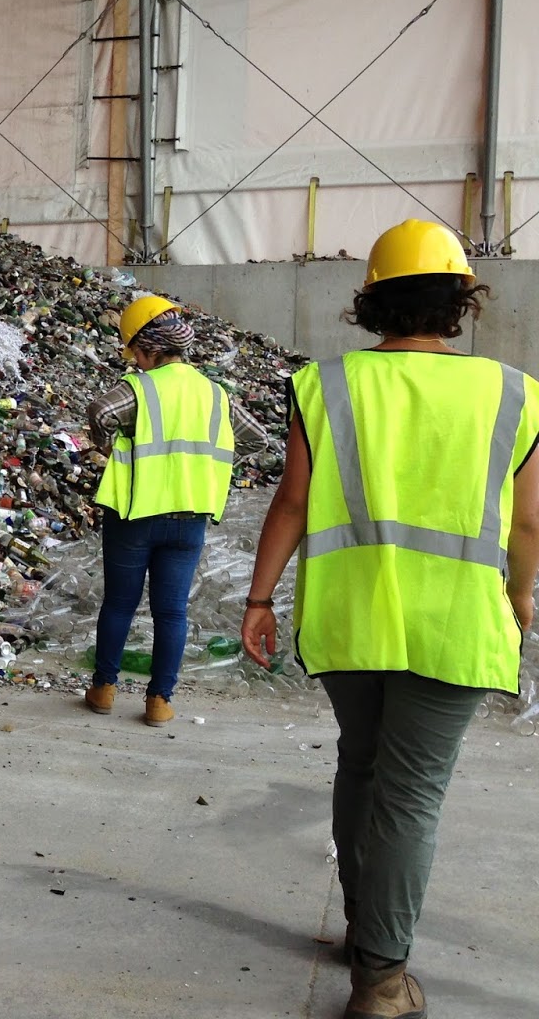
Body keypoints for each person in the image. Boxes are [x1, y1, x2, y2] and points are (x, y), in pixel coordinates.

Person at [240, 218, 539, 1019]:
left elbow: (294, 502)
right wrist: (519, 599)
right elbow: (529, 523)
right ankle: (380, 979)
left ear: (371, 303)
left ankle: (363, 930)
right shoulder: (512, 392)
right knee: (410, 797)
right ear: (458, 302)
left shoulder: (326, 384)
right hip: (454, 627)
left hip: (350, 621)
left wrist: (260, 598)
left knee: (361, 767)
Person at [85, 295, 270, 726]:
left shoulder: (139, 388)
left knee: (119, 605)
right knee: (172, 612)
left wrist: (107, 445)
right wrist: (211, 464)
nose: (136, 362)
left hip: (136, 514)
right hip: (189, 519)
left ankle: (104, 689)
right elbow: (258, 439)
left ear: (148, 348)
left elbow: (100, 411)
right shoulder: (215, 394)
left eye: (136, 353)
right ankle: (159, 701)